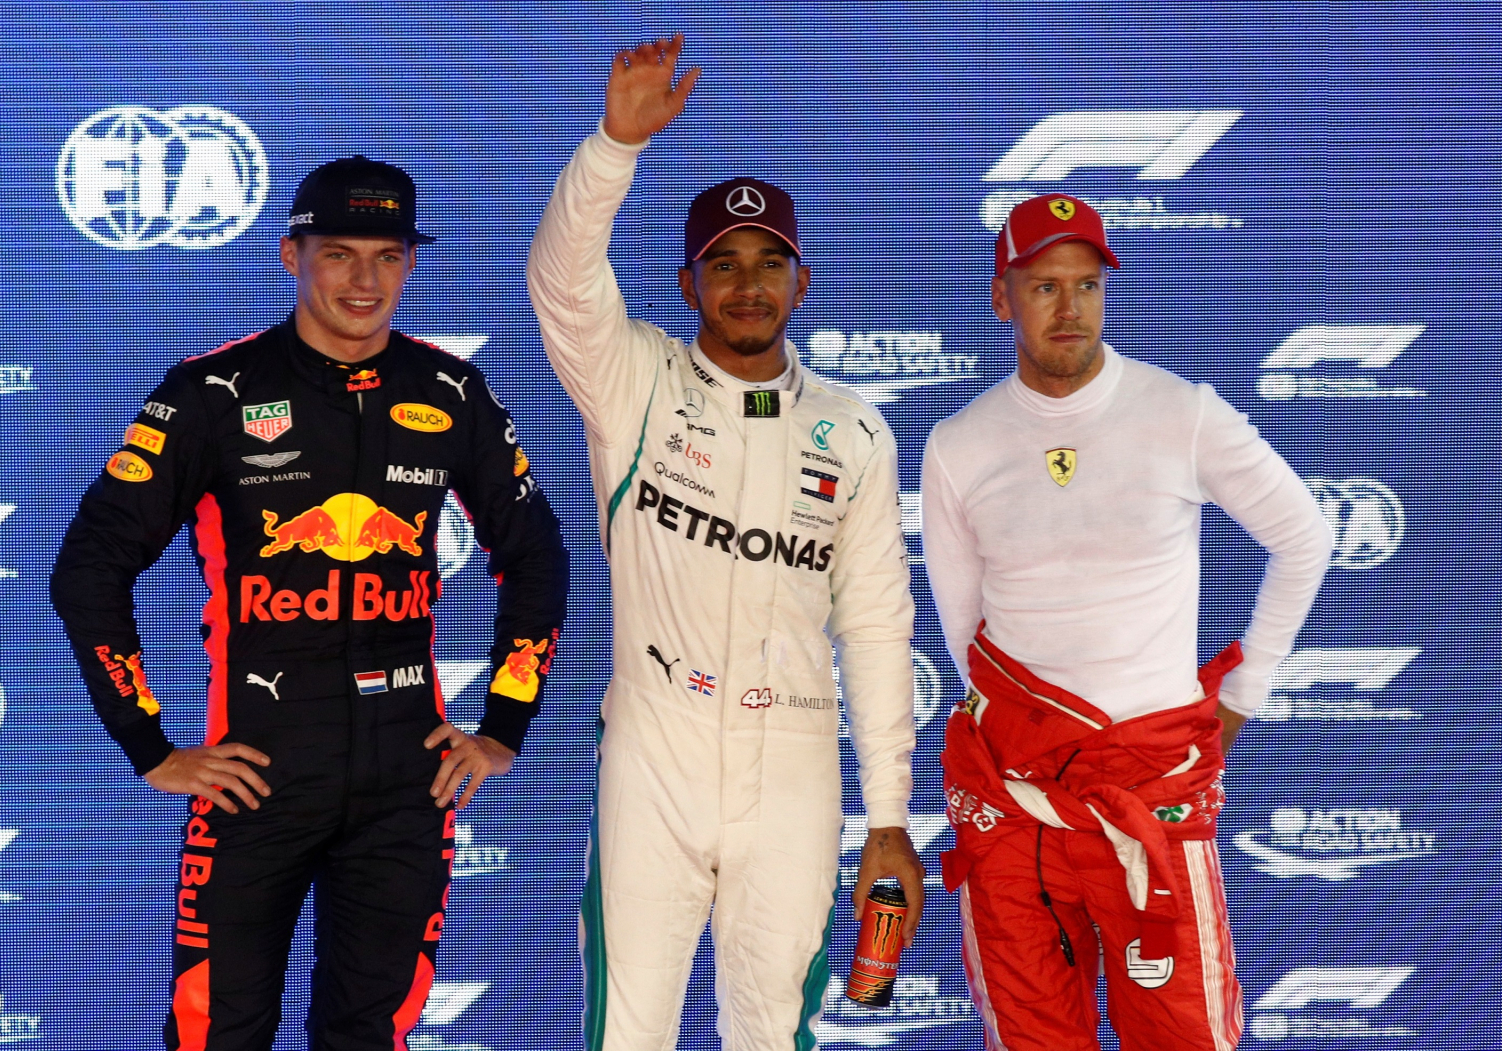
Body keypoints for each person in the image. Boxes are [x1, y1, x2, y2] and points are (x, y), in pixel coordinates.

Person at [50, 156, 570, 1051]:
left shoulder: (449, 392)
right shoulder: (212, 393)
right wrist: (150, 744)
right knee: (219, 1031)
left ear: (410, 263)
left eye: (387, 256)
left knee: (370, 1033)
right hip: (258, 774)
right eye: (338, 254)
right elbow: (90, 565)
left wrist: (504, 725)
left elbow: (539, 559)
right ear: (290, 256)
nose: (364, 281)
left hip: (408, 777)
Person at [528, 35, 924, 1051]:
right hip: (655, 747)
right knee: (627, 1030)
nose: (747, 283)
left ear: (802, 281)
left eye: (769, 263)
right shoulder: (633, 381)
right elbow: (563, 281)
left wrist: (888, 814)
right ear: (688, 280)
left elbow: (877, 625)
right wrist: (614, 146)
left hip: (794, 758)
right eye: (724, 263)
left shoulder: (855, 430)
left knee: (770, 1033)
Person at [922, 193, 1333, 1050]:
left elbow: (1306, 535)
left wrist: (1245, 689)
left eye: (1086, 285)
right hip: (1020, 802)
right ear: (1003, 297)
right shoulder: (958, 444)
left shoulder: (1178, 411)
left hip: (1153, 791)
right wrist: (1047, 746)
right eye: (1043, 286)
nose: (1069, 307)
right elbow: (968, 640)